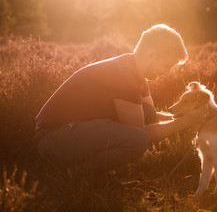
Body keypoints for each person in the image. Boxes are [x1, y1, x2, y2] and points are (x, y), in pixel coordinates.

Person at [35, 24, 205, 179]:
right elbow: (145, 133)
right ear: (151, 54)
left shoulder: (135, 72)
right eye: (167, 65)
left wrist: (189, 116)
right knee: (137, 140)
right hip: (54, 138)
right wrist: (186, 122)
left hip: (73, 131)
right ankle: (76, 174)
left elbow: (150, 117)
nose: (167, 73)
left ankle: (104, 176)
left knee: (147, 113)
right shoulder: (124, 76)